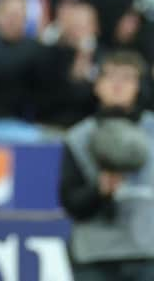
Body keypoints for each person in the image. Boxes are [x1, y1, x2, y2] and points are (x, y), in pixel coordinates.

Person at [59, 49, 154, 281]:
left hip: (147, 253)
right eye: (110, 76)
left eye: (127, 78)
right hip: (95, 256)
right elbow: (70, 202)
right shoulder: (78, 137)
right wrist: (99, 190)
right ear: (97, 85)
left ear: (139, 86)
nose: (118, 85)